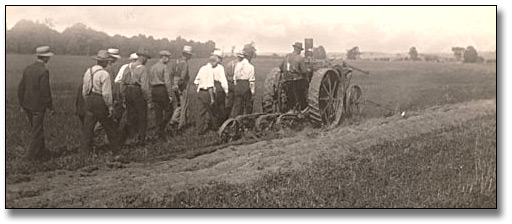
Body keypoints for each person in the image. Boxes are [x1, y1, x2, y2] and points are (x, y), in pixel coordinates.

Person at [18, 46, 54, 161]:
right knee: (36, 131)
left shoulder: (27, 68)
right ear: (45, 58)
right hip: (38, 106)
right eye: (48, 57)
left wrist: (22, 104)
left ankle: (42, 152)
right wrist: (50, 106)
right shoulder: (43, 71)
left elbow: (21, 88)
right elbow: (45, 91)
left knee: (37, 128)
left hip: (27, 104)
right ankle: (30, 158)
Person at [80, 50, 119, 154]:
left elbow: (84, 90)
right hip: (100, 100)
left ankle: (85, 152)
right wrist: (110, 106)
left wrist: (87, 100)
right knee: (109, 126)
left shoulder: (88, 71)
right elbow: (106, 94)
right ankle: (116, 150)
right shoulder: (104, 74)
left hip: (90, 99)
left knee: (88, 128)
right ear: (105, 62)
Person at [120, 48, 151, 146]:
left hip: (128, 91)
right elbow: (144, 87)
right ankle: (141, 140)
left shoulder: (128, 67)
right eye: (146, 58)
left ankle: (130, 138)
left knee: (131, 115)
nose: (146, 60)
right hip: (137, 91)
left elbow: (122, 83)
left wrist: (123, 95)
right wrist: (148, 99)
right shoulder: (142, 68)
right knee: (142, 116)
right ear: (142, 58)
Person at [149, 50, 174, 141]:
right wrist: (170, 94)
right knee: (169, 110)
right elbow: (167, 82)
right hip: (162, 89)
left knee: (158, 112)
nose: (169, 60)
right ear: (164, 57)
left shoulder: (152, 67)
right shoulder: (164, 67)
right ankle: (161, 129)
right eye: (168, 58)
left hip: (154, 90)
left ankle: (159, 133)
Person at [193, 56, 219, 135]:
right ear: (213, 62)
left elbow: (196, 81)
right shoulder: (210, 70)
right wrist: (212, 98)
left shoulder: (202, 68)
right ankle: (215, 127)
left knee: (201, 112)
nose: (216, 65)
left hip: (200, 92)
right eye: (216, 63)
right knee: (212, 111)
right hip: (207, 93)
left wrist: (198, 90)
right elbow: (210, 85)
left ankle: (199, 131)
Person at [171, 45, 194, 130]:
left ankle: (173, 120)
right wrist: (180, 84)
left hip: (174, 82)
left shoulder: (176, 62)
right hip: (182, 84)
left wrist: (174, 84)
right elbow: (183, 76)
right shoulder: (185, 64)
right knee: (184, 104)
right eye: (189, 55)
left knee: (178, 104)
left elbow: (172, 73)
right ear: (187, 55)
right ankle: (181, 124)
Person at [280, 42, 308, 111]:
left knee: (290, 96)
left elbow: (281, 67)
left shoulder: (287, 56)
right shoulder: (300, 58)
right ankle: (303, 107)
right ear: (299, 50)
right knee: (303, 90)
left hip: (286, 80)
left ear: (294, 48)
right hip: (296, 81)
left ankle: (289, 108)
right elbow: (304, 71)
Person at [230, 50, 255, 118]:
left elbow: (234, 77)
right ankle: (247, 120)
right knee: (248, 105)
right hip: (245, 84)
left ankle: (234, 120)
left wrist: (236, 85)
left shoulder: (238, 65)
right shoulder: (251, 67)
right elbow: (251, 80)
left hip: (238, 84)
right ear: (249, 57)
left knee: (237, 104)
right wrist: (252, 91)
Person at [211, 49, 229, 127]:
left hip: (210, 86)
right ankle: (221, 123)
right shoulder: (220, 67)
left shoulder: (208, 66)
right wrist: (226, 90)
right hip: (218, 87)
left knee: (213, 105)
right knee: (221, 105)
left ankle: (213, 122)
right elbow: (223, 80)